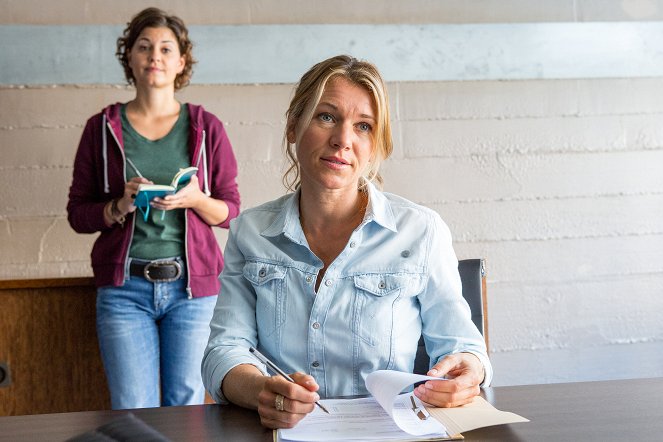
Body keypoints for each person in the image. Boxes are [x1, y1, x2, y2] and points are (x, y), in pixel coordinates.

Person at [202, 55, 490, 428]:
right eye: (326, 117)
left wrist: (469, 370)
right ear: (293, 126)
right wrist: (261, 390)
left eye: (364, 126)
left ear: (376, 143)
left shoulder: (422, 231)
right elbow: (223, 351)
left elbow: (463, 348)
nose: (343, 140)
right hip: (283, 434)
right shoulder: (250, 232)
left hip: (389, 432)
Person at [67, 7, 240, 409]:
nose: (154, 56)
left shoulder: (206, 125)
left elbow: (231, 212)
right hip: (124, 291)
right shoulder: (102, 127)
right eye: (143, 47)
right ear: (130, 58)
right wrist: (120, 204)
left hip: (193, 292)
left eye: (165, 48)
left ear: (181, 61)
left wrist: (196, 199)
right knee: (133, 409)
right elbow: (78, 214)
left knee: (188, 408)